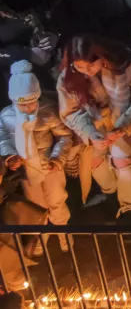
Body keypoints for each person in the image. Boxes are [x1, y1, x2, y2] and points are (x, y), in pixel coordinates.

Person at [57, 35, 131, 218]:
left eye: (90, 66)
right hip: (94, 126)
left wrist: (124, 125)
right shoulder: (67, 78)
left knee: (123, 161)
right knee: (95, 161)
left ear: (100, 57)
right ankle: (110, 195)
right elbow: (70, 112)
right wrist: (90, 133)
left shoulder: (122, 64)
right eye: (79, 67)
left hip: (122, 120)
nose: (86, 71)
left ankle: (130, 208)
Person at [0, 61, 72, 249]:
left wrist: (57, 159)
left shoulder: (48, 111)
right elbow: (2, 139)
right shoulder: (6, 116)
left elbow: (64, 136)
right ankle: (40, 236)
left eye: (32, 102)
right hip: (27, 172)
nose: (28, 108)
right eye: (23, 103)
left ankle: (63, 230)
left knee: (57, 199)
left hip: (50, 166)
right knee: (35, 204)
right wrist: (9, 156)